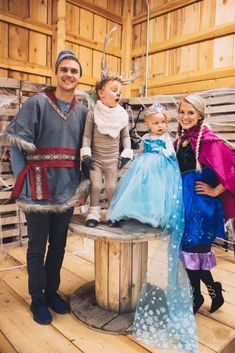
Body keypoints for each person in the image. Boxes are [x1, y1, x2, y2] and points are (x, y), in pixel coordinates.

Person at [1, 50, 88, 325]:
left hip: (67, 188)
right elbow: (15, 143)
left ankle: (52, 293)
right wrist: (21, 179)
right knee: (37, 247)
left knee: (59, 245)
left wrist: (84, 188)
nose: (69, 74)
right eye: (64, 69)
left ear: (79, 77)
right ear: (56, 72)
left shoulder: (84, 111)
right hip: (37, 186)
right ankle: (37, 299)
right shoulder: (37, 103)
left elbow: (87, 151)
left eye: (74, 71)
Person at [109, 103, 198, 353]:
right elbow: (142, 153)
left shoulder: (169, 139)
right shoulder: (146, 138)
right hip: (145, 169)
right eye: (155, 123)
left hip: (163, 171)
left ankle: (155, 217)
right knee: (138, 190)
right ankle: (133, 213)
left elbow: (170, 157)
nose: (159, 126)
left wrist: (166, 154)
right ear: (148, 124)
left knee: (158, 196)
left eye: (162, 122)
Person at [175, 94, 235, 314]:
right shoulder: (179, 141)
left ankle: (204, 293)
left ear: (200, 115)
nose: (185, 116)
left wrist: (215, 190)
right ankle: (206, 293)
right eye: (182, 112)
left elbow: (232, 170)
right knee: (188, 253)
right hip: (184, 205)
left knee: (196, 251)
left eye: (190, 112)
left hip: (202, 207)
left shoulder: (210, 141)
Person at [81, 75, 133, 227]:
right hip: (96, 159)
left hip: (113, 160)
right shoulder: (93, 114)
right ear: (101, 93)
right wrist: (86, 153)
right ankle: (93, 214)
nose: (118, 93)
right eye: (114, 90)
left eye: (120, 91)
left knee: (112, 187)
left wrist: (127, 152)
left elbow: (125, 136)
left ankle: (114, 214)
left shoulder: (122, 115)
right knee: (96, 186)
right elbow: (87, 135)